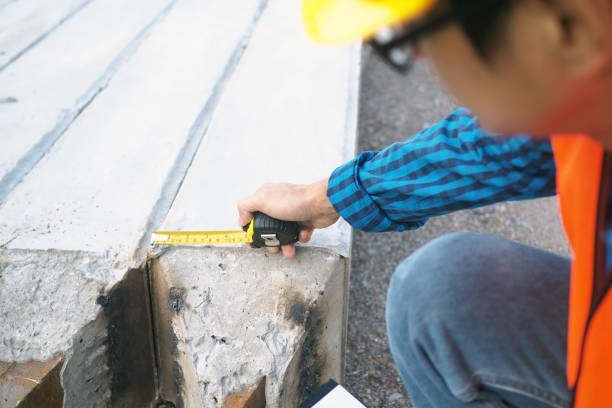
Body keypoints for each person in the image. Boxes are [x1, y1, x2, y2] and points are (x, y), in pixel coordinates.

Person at [237, 1, 612, 407]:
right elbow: (495, 149)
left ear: (567, 26)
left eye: (419, 35)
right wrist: (324, 197)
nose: (420, 57)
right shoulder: (581, 99)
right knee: (442, 289)